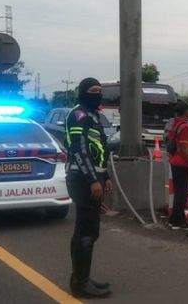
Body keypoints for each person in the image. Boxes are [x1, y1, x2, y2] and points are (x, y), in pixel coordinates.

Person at [65, 77, 112, 298]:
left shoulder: (93, 115)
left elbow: (100, 147)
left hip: (92, 177)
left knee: (84, 230)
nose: (99, 94)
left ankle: (81, 277)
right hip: (83, 179)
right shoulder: (79, 115)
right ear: (84, 92)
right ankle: (81, 284)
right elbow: (80, 150)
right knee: (87, 231)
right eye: (94, 90)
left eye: (100, 90)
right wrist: (93, 180)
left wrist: (106, 176)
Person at [167, 100, 188, 230]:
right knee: (182, 193)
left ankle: (174, 219)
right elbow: (184, 147)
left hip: (175, 161)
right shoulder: (185, 127)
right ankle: (178, 221)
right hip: (182, 163)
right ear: (185, 112)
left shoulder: (175, 124)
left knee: (179, 192)